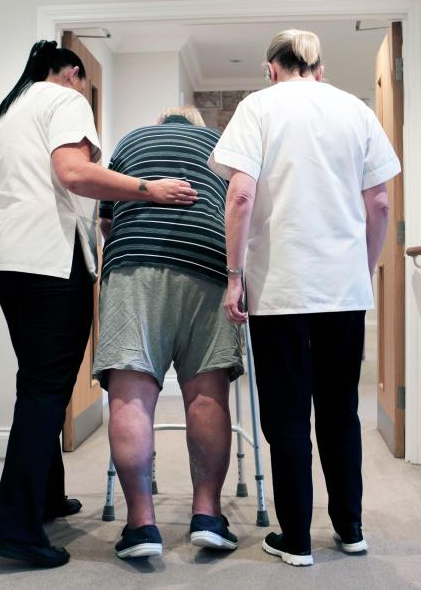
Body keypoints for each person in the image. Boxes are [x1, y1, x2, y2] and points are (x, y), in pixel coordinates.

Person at [0, 40, 198, 568]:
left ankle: (47, 496)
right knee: (46, 390)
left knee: (37, 381)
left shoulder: (3, 114)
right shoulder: (66, 100)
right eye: (80, 79)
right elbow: (74, 174)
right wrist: (149, 188)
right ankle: (16, 527)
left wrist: (17, 241)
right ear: (72, 73)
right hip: (51, 263)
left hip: (8, 260)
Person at [209, 29, 400, 566]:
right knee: (341, 411)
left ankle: (295, 539)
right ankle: (351, 528)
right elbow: (380, 203)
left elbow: (241, 194)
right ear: (318, 67)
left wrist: (233, 276)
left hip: (281, 290)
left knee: (288, 416)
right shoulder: (354, 110)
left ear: (272, 68)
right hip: (342, 291)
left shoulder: (258, 107)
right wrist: (360, 270)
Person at [92, 106, 244, 559]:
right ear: (198, 127)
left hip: (134, 264)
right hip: (208, 262)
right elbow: (241, 209)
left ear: (159, 127)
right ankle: (207, 516)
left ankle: (141, 525)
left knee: (133, 392)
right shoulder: (221, 144)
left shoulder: (131, 141)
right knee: (206, 392)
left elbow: (106, 220)